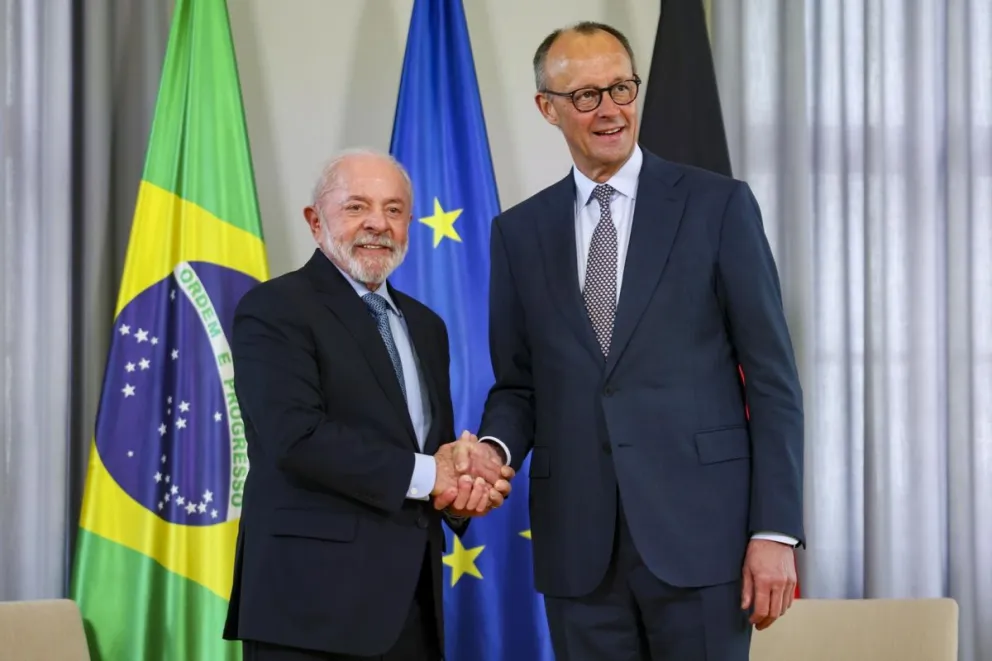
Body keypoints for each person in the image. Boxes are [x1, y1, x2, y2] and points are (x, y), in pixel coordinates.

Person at [450, 21, 805, 661]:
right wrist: (496, 448)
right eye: (586, 95)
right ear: (547, 108)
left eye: (621, 87)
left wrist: (775, 530)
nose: (610, 109)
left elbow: (773, 379)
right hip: (579, 554)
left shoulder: (718, 206)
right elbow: (521, 383)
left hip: (703, 542)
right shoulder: (519, 233)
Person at [222, 148, 514, 661]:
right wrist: (435, 476)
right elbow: (295, 437)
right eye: (357, 207)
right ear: (316, 222)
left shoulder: (427, 326)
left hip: (412, 605)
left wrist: (464, 487)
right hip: (310, 610)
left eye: (395, 209)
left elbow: (430, 449)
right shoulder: (273, 309)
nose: (378, 223)